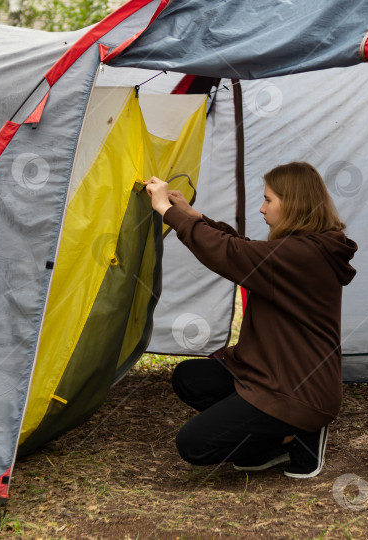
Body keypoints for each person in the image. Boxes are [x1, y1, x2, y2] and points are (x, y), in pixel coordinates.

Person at [145, 162, 357, 478]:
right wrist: (192, 216)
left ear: (294, 203)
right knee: (190, 378)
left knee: (193, 445)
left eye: (268, 200)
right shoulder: (306, 246)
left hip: (298, 391)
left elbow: (229, 252)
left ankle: (296, 433)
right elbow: (244, 248)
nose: (261, 208)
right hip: (272, 373)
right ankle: (274, 445)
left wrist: (166, 209)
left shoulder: (302, 255)